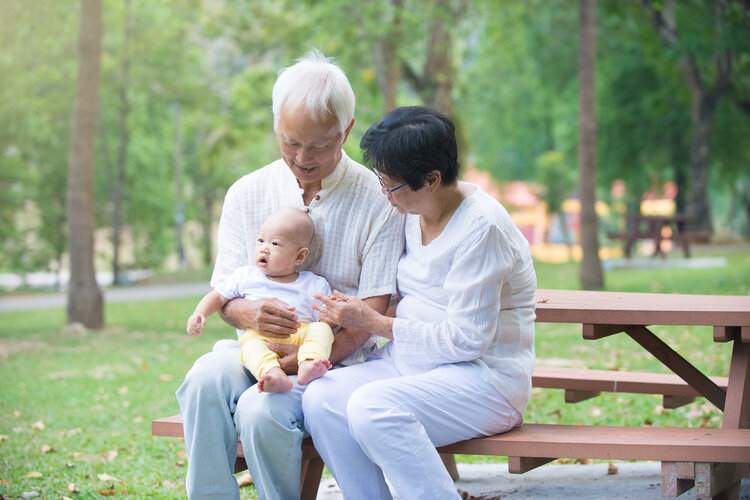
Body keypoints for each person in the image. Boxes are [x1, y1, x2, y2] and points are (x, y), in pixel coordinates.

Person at [176, 51, 405, 500]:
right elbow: (226, 297)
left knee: (262, 410)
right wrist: (249, 314)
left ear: (347, 129)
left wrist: (305, 364)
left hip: (331, 363)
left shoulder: (377, 201)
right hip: (255, 349)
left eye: (319, 144)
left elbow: (374, 310)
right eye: (290, 141)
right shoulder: (247, 192)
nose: (302, 157)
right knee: (203, 379)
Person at [302, 106, 537, 499]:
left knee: (372, 408)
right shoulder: (411, 211)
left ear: (431, 179)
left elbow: (467, 341)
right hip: (412, 367)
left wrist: (374, 323)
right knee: (322, 398)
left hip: (484, 380)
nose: (384, 194)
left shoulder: (483, 229)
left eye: (391, 185)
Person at [185, 208, 335, 392]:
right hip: (259, 336)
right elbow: (217, 296)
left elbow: (325, 319)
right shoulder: (246, 276)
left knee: (321, 330)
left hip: (299, 337)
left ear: (300, 256)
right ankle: (271, 374)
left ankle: (309, 363)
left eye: (275, 244)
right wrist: (200, 313)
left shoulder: (314, 284)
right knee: (250, 346)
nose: (264, 248)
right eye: (261, 240)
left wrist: (329, 321)